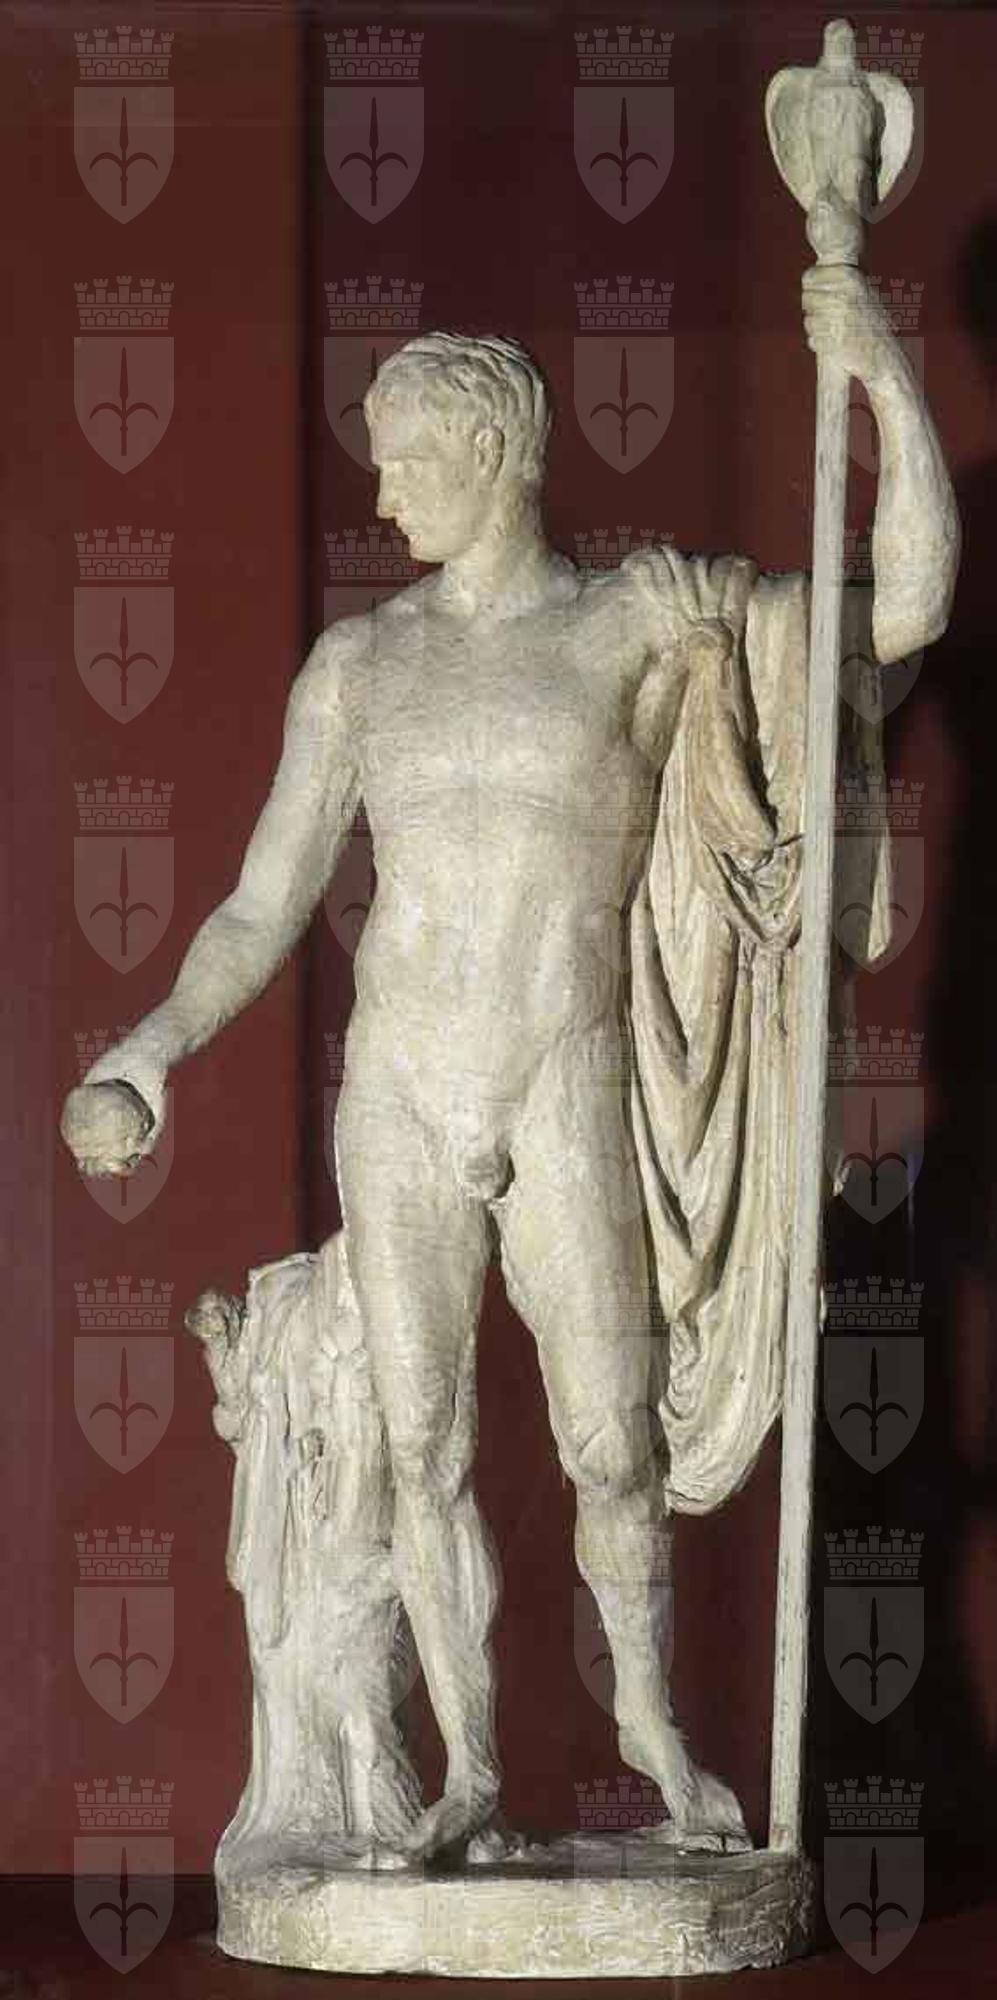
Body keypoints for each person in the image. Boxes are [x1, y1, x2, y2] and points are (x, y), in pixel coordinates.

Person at [62, 268, 958, 1863]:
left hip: (564, 1071)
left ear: (492, 451)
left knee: (611, 1440)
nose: (382, 494)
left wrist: (880, 370)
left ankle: (650, 1734)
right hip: (401, 1087)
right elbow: (262, 903)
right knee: (421, 1444)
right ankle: (468, 1769)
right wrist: (146, 1049)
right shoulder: (359, 666)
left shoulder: (642, 624)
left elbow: (904, 607)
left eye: (406, 460)